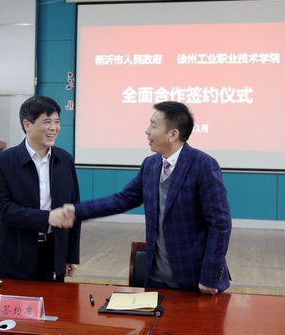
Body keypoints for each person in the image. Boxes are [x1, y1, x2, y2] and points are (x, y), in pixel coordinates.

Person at [59, 101, 231, 295]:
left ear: (173, 134)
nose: (147, 131)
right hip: (156, 279)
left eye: (153, 125)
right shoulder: (151, 165)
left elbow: (220, 224)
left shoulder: (203, 165)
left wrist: (209, 277)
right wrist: (76, 211)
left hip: (195, 280)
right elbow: (122, 199)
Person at [0, 95, 80, 281]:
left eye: (57, 122)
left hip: (54, 252)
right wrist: (46, 218)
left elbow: (73, 209)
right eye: (47, 122)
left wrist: (71, 255)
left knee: (54, 300)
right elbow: (2, 208)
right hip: (15, 254)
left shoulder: (64, 160)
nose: (54, 128)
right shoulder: (2, 162)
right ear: (27, 125)